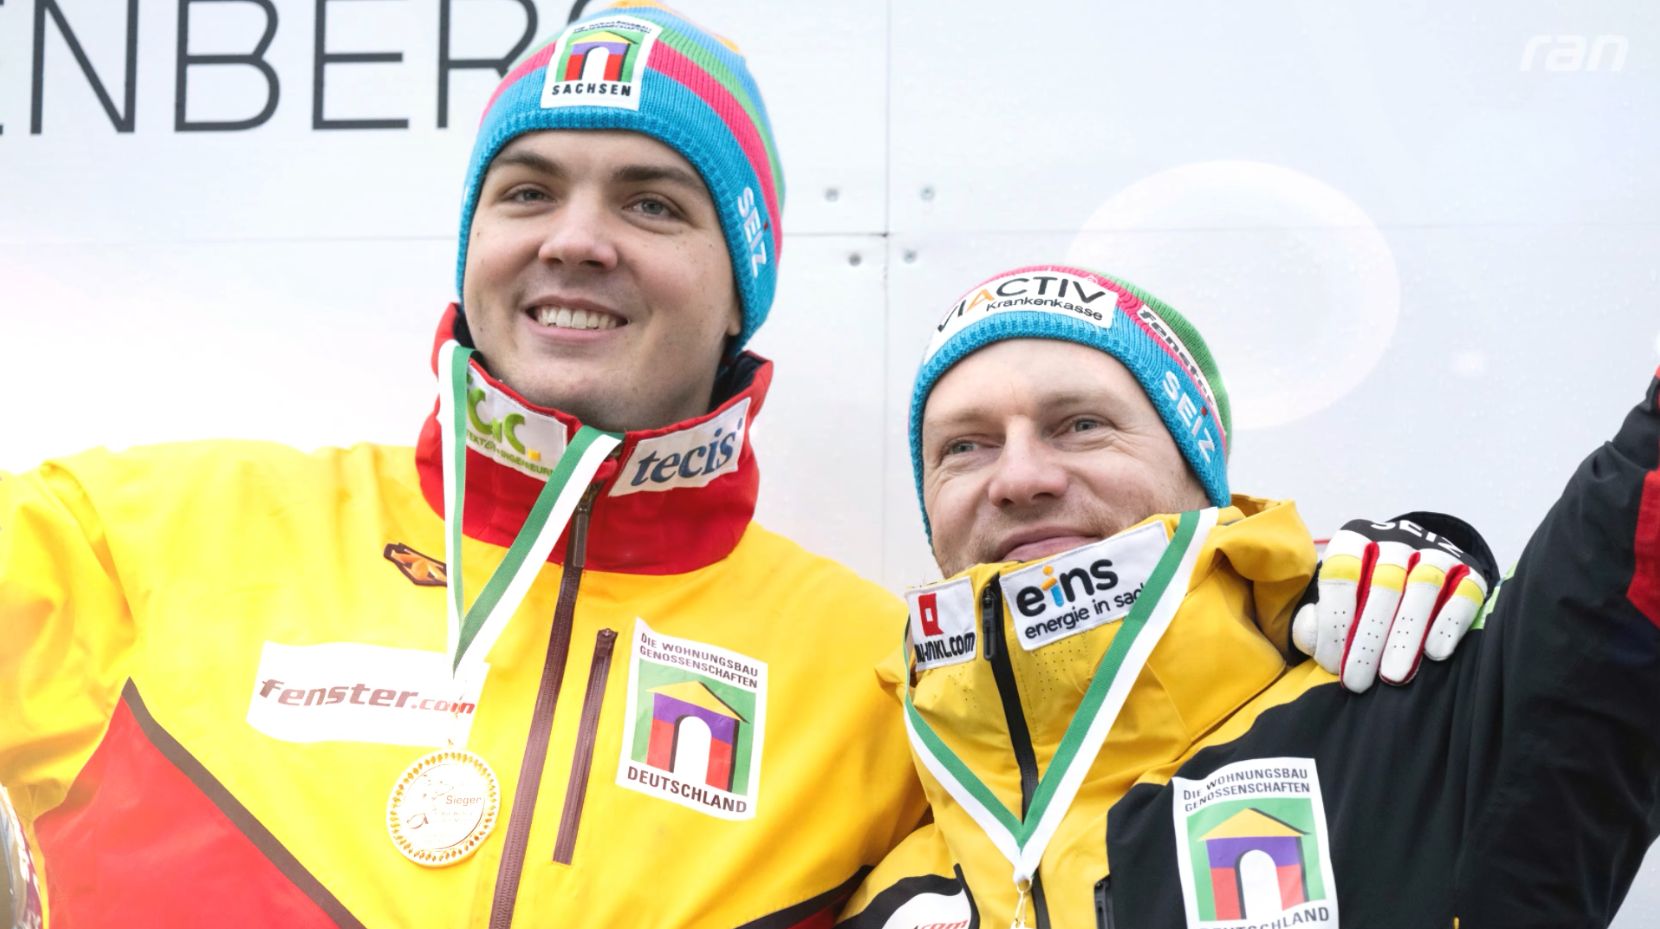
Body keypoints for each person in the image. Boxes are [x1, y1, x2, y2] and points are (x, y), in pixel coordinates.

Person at [0, 5, 932, 926]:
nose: (573, 239)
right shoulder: (144, 544)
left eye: (652, 203)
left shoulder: (883, 686)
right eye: (528, 193)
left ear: (741, 288)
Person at [836, 264, 1660, 928]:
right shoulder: (880, 890)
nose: (1019, 477)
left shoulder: (1420, 723)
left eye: (1081, 424)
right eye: (965, 446)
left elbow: (1614, 577)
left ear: (1201, 479)